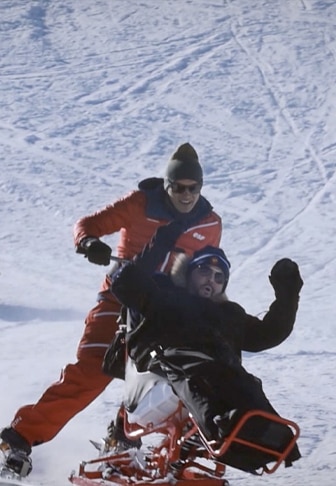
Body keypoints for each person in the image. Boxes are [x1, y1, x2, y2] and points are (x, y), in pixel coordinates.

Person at [0, 143, 222, 478]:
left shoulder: (209, 222)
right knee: (94, 368)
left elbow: (204, 267)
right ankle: (18, 438)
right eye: (179, 187)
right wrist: (89, 243)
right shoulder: (140, 204)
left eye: (194, 188)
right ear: (168, 185)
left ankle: (125, 436)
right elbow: (87, 224)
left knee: (175, 373)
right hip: (119, 300)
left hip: (165, 310)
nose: (187, 195)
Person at [109, 223, 303, 472]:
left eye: (218, 277)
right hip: (169, 363)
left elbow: (268, 334)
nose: (211, 279)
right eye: (204, 271)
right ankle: (219, 427)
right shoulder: (164, 295)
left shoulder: (230, 314)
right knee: (201, 372)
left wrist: (288, 293)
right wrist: (160, 244)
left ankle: (270, 437)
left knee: (246, 383)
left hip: (219, 369)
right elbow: (125, 282)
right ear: (188, 273)